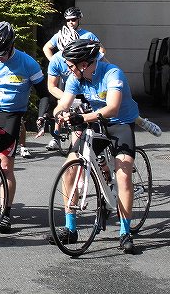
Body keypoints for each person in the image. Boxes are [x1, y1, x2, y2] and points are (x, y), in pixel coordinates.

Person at [47, 39, 141, 254]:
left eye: (72, 65)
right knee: (70, 166)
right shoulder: (75, 77)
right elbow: (65, 102)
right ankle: (71, 229)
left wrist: (82, 117)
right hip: (94, 123)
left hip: (120, 123)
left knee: (123, 173)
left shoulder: (112, 73)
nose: (69, 69)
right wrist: (58, 114)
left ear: (85, 64)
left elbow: (113, 108)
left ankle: (125, 232)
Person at [0, 21, 51, 233]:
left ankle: (5, 213)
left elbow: (44, 94)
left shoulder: (27, 63)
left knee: (6, 166)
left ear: (11, 47)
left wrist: (42, 116)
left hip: (11, 114)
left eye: (1, 55)